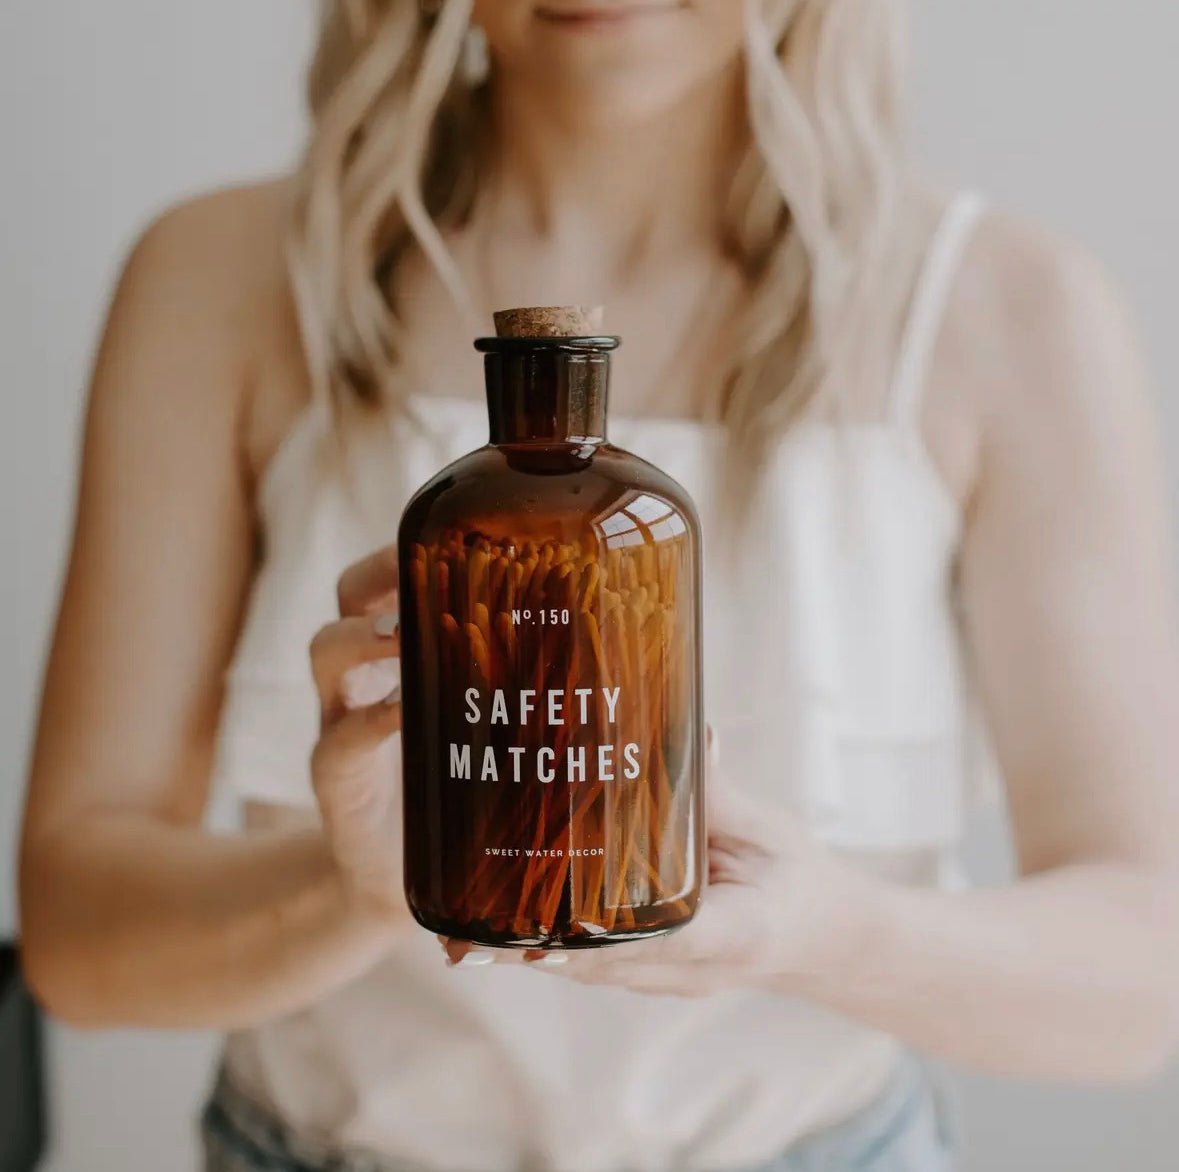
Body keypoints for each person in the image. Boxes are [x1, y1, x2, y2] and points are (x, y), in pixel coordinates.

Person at [19, 1, 1179, 1170]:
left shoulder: (1011, 313)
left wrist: (825, 931)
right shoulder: (221, 281)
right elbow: (77, 937)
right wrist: (359, 887)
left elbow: (1140, 981)